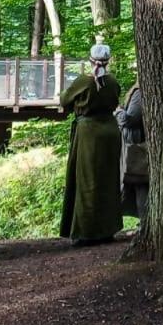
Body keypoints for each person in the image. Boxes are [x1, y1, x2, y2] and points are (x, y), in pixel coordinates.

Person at [59, 43, 123, 246]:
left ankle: (86, 233)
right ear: (108, 60)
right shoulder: (113, 82)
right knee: (108, 181)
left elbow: (64, 100)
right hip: (111, 133)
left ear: (90, 60)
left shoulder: (83, 81)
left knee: (87, 182)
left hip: (89, 134)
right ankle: (107, 230)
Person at [117, 78, 148, 222]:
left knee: (140, 183)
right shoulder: (141, 91)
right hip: (136, 142)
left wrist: (117, 111)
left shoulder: (140, 92)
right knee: (136, 184)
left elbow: (130, 119)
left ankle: (145, 223)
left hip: (137, 144)